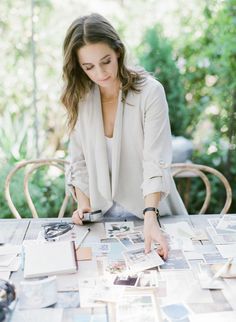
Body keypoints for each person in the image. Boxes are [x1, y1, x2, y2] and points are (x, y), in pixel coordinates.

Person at [61, 13, 188, 260]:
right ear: (79, 66)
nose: (100, 73)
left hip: (151, 214)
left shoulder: (150, 93)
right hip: (101, 223)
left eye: (106, 61)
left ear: (118, 51)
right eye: (88, 67)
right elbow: (78, 161)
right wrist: (84, 204)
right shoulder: (81, 98)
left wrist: (151, 215)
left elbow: (156, 161)